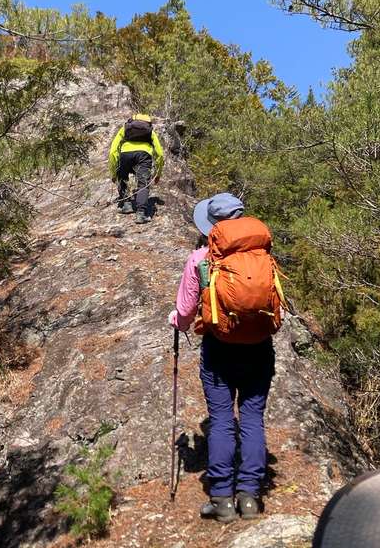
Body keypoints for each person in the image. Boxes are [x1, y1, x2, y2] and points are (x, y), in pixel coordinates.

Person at [168, 192, 279, 523]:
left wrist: (176, 320)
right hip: (259, 347)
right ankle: (250, 496)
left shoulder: (200, 259)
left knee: (220, 419)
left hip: (219, 348)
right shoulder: (263, 255)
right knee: (252, 418)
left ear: (211, 225)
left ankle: (222, 499)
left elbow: (185, 313)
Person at [108, 114, 164, 225]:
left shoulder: (125, 129)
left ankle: (126, 204)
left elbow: (113, 151)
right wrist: (158, 173)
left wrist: (114, 173)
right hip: (144, 155)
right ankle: (141, 214)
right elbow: (160, 154)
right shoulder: (150, 131)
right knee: (143, 183)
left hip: (125, 154)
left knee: (122, 176)